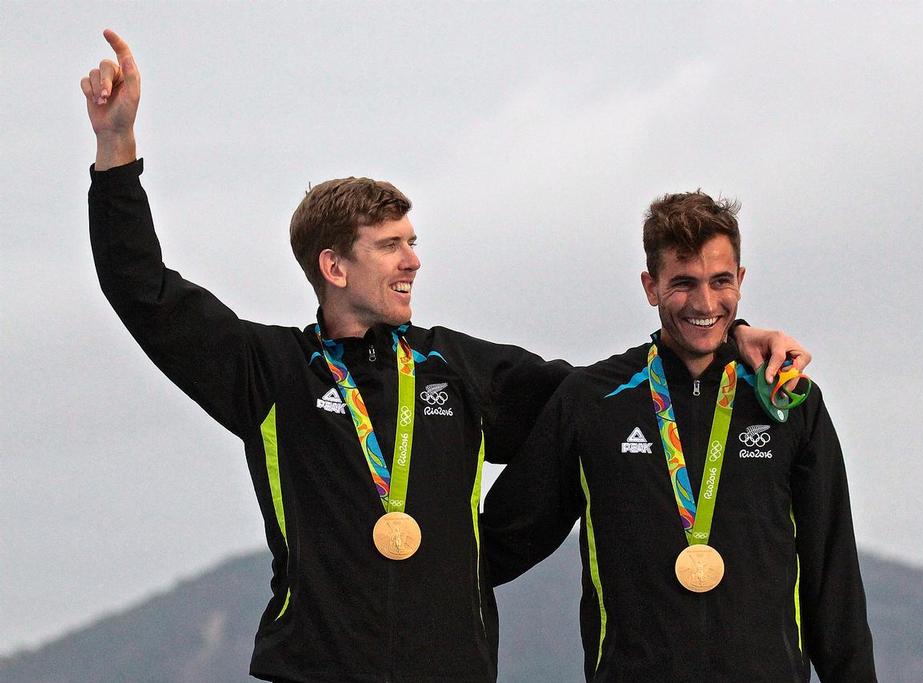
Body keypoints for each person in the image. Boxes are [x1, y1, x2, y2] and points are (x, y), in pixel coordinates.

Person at [82, 30, 811, 682]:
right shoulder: (268, 373)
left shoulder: (456, 369)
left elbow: (601, 397)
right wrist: (117, 152)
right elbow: (146, 293)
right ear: (334, 266)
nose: (414, 262)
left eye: (414, 241)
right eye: (392, 246)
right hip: (316, 669)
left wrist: (725, 338)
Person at [483, 192, 876, 681]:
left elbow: (831, 575)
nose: (706, 303)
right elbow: (500, 541)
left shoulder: (787, 400)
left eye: (720, 281)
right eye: (683, 283)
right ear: (651, 286)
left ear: (742, 280)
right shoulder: (593, 402)